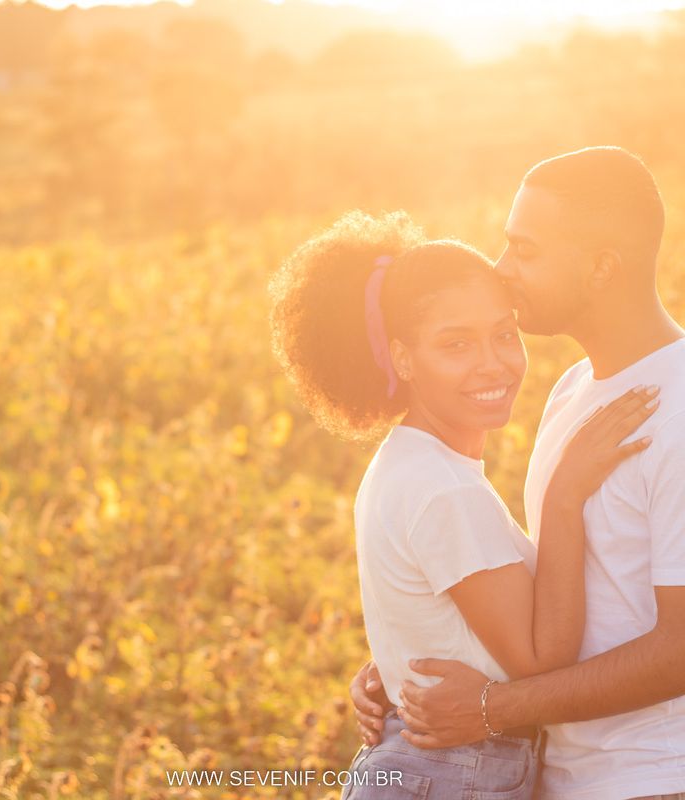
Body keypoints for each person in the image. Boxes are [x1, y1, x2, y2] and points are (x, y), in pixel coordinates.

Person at [268, 209, 657, 799]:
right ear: (402, 359)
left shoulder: (412, 464)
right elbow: (539, 661)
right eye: (456, 344)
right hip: (453, 772)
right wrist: (564, 497)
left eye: (504, 333)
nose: (494, 363)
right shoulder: (442, 488)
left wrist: (392, 669)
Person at [351, 146, 685, 800]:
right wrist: (409, 656)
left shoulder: (677, 410)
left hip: (654, 775)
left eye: (524, 250)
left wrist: (489, 709)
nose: (503, 271)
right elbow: (561, 584)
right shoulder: (571, 390)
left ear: (601, 267)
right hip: (558, 776)